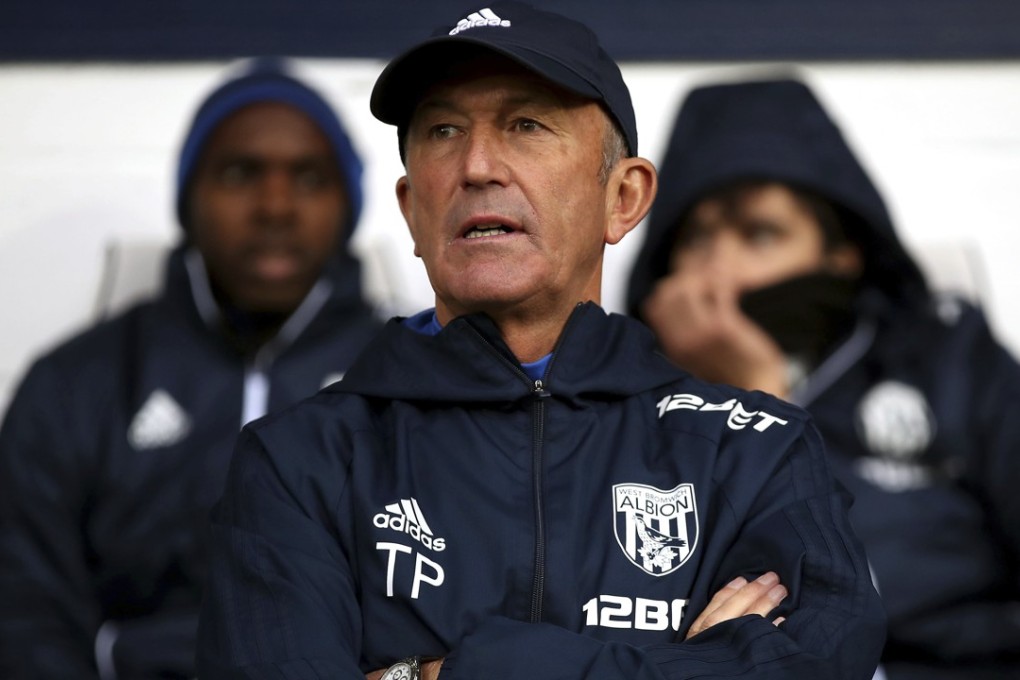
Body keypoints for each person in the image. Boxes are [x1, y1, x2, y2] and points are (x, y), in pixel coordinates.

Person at [197, 5, 885, 679]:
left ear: (624, 197)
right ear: (412, 210)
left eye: (526, 124)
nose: (476, 166)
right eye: (442, 129)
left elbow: (823, 661)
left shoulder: (757, 450)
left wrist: (449, 672)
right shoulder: (296, 462)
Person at [0, 59, 383, 679]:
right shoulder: (77, 383)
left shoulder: (415, 375)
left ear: (348, 204)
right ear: (188, 198)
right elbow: (24, 606)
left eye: (309, 178)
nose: (276, 206)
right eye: (240, 173)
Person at [627, 76, 1020, 679]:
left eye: (760, 233)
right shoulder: (629, 397)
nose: (719, 264)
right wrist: (736, 399)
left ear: (842, 252)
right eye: (696, 236)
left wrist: (763, 402)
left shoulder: (949, 361)